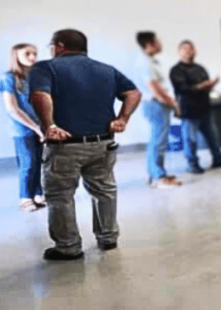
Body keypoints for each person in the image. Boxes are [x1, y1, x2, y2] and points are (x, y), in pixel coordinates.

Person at [28, 29, 141, 260]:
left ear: (59, 46)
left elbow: (40, 95)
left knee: (60, 195)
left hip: (65, 145)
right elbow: (133, 93)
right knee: (104, 191)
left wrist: (49, 125)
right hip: (103, 144)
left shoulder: (45, 68)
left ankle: (68, 247)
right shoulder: (106, 69)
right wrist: (123, 119)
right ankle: (108, 238)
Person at [169, 40, 221, 174]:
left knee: (214, 137)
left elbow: (205, 86)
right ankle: (192, 164)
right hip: (188, 110)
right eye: (185, 49)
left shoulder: (200, 68)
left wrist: (211, 84)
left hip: (205, 108)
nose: (188, 51)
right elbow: (183, 89)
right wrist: (204, 85)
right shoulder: (176, 70)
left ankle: (218, 159)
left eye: (191, 49)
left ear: (194, 51)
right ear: (179, 52)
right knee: (190, 140)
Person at [134, 31, 181, 189]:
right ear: (150, 43)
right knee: (158, 142)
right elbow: (154, 87)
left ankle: (154, 173)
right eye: (158, 41)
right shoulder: (145, 62)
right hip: (156, 104)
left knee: (156, 140)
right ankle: (158, 177)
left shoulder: (150, 61)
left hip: (157, 104)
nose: (161, 44)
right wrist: (172, 103)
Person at [2, 44, 45, 212]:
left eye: (34, 53)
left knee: (37, 162)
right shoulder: (8, 78)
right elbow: (12, 108)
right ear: (16, 56)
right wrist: (35, 127)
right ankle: (25, 197)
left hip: (38, 127)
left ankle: (37, 193)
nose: (33, 57)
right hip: (22, 130)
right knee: (27, 163)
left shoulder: (33, 78)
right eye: (27, 54)